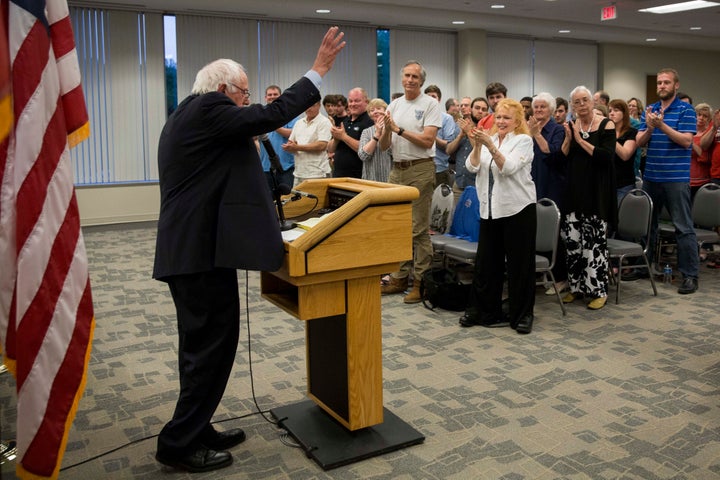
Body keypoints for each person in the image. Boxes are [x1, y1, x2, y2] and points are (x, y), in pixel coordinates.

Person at [151, 27, 345, 473]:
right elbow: (270, 114)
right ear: (224, 90)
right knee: (207, 348)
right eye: (244, 93)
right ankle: (178, 442)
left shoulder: (190, 113)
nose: (246, 100)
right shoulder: (210, 109)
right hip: (197, 255)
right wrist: (318, 71)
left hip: (201, 251)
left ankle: (197, 426)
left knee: (209, 345)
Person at [458, 98, 536, 334]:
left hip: (518, 209)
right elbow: (471, 167)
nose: (501, 121)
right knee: (486, 264)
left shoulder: (523, 141)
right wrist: (479, 145)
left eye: (507, 118)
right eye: (499, 117)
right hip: (490, 209)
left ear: (516, 122)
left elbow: (508, 168)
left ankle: (522, 315)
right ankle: (483, 310)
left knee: (519, 266)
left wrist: (490, 146)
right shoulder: (488, 138)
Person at [379, 60, 442, 304]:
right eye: (407, 75)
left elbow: (428, 141)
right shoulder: (394, 104)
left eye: (415, 76)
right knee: (399, 227)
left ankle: (420, 282)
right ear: (402, 78)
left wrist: (398, 129)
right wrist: (386, 130)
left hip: (420, 169)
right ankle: (398, 278)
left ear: (422, 81)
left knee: (418, 229)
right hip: (397, 169)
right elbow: (385, 146)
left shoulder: (430, 104)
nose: (410, 80)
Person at [636, 68, 698, 294]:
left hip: (676, 178)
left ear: (676, 86)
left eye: (666, 82)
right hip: (652, 175)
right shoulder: (650, 110)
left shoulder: (686, 110)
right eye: (659, 83)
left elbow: (686, 142)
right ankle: (645, 266)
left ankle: (690, 275)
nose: (662, 86)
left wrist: (662, 126)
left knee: (683, 227)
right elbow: (640, 141)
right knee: (648, 226)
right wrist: (651, 127)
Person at [560, 86, 617, 310]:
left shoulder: (606, 125)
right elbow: (562, 159)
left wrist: (579, 139)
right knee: (573, 243)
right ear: (572, 105)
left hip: (597, 193)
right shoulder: (572, 126)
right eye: (577, 102)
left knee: (593, 246)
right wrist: (568, 138)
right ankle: (576, 288)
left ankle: (598, 290)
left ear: (592, 103)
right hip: (574, 192)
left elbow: (606, 157)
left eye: (585, 100)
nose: (582, 105)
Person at [528, 92, 568, 295]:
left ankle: (560, 277)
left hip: (552, 185)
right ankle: (540, 272)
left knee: (553, 232)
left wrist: (535, 133)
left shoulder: (557, 130)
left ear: (551, 110)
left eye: (543, 107)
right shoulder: (528, 129)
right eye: (536, 107)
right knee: (534, 230)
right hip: (532, 184)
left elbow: (552, 153)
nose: (538, 110)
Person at [448, 97, 487, 203]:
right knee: (457, 217)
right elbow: (448, 150)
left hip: (477, 186)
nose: (480, 111)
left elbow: (481, 153)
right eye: (477, 108)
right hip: (459, 183)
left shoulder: (487, 130)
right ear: (471, 110)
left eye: (483, 110)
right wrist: (461, 135)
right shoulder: (459, 127)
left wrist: (468, 132)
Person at [283, 101, 333, 186]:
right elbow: (292, 142)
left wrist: (297, 147)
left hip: (317, 174)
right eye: (307, 105)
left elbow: (322, 145)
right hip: (299, 173)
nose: (309, 108)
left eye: (312, 105)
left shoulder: (324, 122)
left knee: (315, 199)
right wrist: (289, 146)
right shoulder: (299, 123)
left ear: (319, 106)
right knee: (297, 199)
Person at [329, 87, 373, 178]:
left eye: (357, 101)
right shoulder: (344, 122)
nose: (353, 104)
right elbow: (330, 149)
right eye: (351, 101)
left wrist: (344, 137)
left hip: (358, 176)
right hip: (338, 175)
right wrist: (336, 139)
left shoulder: (370, 122)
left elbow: (365, 150)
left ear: (366, 102)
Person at [259, 85, 297, 190]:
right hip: (266, 168)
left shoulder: (290, 114)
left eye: (275, 94)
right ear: (265, 98)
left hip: (285, 168)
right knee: (269, 202)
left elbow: (293, 133)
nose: (272, 97)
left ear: (281, 96)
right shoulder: (261, 115)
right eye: (269, 95)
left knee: (286, 201)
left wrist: (274, 125)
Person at [425, 84, 459, 187]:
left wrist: (431, 136)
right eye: (427, 97)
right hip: (420, 169)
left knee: (439, 202)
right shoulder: (420, 118)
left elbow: (448, 146)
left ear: (439, 100)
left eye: (433, 97)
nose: (430, 99)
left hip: (439, 169)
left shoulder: (446, 119)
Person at [608, 99, 638, 203]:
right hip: (607, 183)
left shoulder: (632, 132)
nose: (612, 113)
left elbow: (625, 155)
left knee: (623, 217)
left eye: (616, 110)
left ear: (624, 113)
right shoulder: (605, 132)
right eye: (610, 111)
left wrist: (610, 136)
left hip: (624, 184)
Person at [358, 98, 393, 182]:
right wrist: (376, 135)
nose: (375, 111)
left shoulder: (393, 129)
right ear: (369, 114)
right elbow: (363, 155)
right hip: (370, 178)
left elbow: (391, 152)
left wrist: (386, 130)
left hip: (390, 179)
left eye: (379, 108)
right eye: (372, 110)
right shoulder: (366, 132)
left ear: (385, 110)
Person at [690, 103, 713, 199]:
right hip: (686, 179)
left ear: (709, 119)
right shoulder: (688, 132)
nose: (701, 118)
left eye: (705, 116)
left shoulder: (708, 135)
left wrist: (690, 142)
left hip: (702, 180)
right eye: (699, 115)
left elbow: (705, 158)